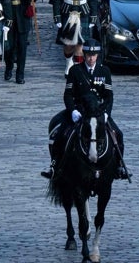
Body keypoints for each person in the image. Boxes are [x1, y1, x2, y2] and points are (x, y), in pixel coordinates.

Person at [42, 41, 128, 180]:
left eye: (93, 55)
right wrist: (72, 111)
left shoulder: (104, 71)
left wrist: (106, 113)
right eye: (88, 55)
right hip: (80, 111)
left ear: (97, 56)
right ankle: (54, 165)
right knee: (60, 134)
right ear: (84, 54)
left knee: (118, 134)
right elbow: (68, 94)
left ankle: (119, 167)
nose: (91, 58)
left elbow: (108, 96)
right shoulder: (75, 70)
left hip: (99, 112)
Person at [51, 0, 96, 72]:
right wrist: (57, 17)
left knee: (80, 43)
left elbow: (93, 0)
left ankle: (78, 69)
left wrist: (93, 17)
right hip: (67, 12)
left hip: (83, 12)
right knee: (68, 44)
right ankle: (68, 63)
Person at [0, 0, 35, 84]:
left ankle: (20, 74)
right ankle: (9, 67)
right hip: (8, 12)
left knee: (22, 46)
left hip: (22, 12)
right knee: (9, 45)